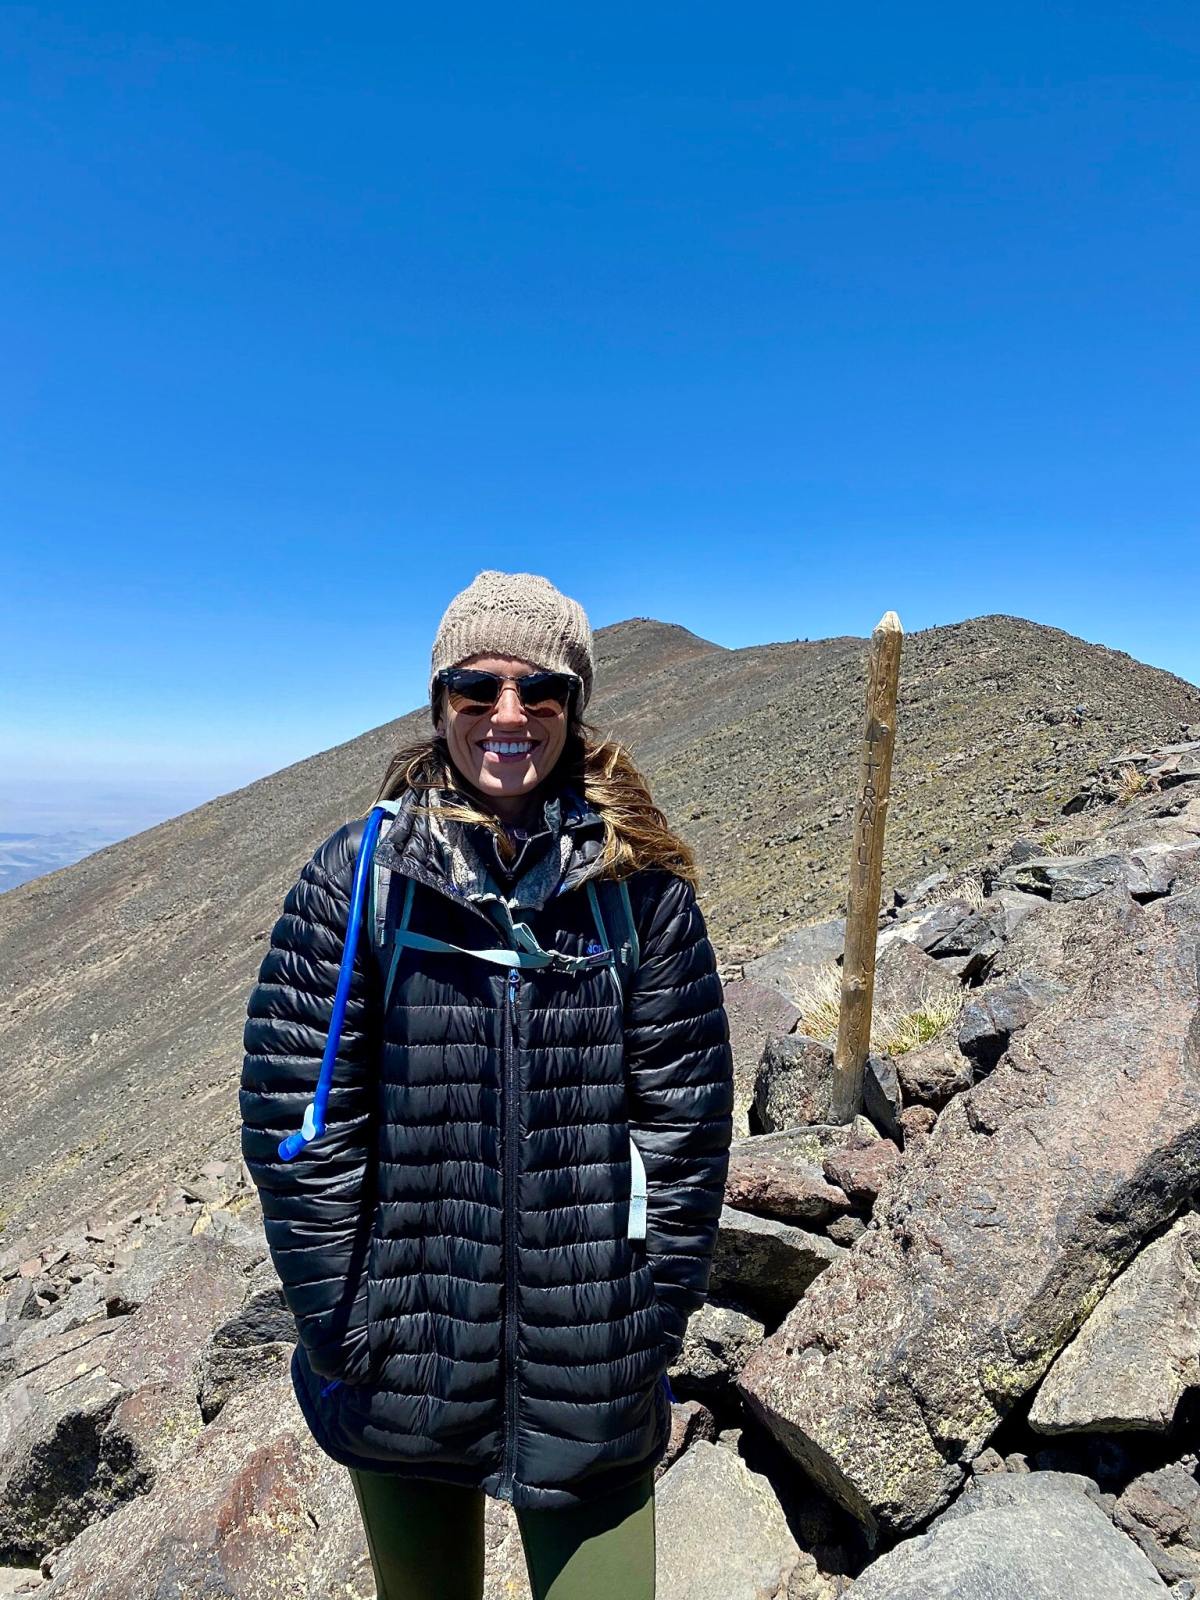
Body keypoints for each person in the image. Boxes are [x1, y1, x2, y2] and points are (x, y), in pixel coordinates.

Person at [240, 570, 734, 1600]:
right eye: (478, 688)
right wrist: (341, 1328)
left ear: (573, 706)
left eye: (539, 689)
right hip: (404, 1362)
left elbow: (685, 1123)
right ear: (440, 704)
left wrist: (652, 1325)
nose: (509, 714)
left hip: (594, 1372)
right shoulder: (361, 878)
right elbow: (300, 1118)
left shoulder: (638, 887)